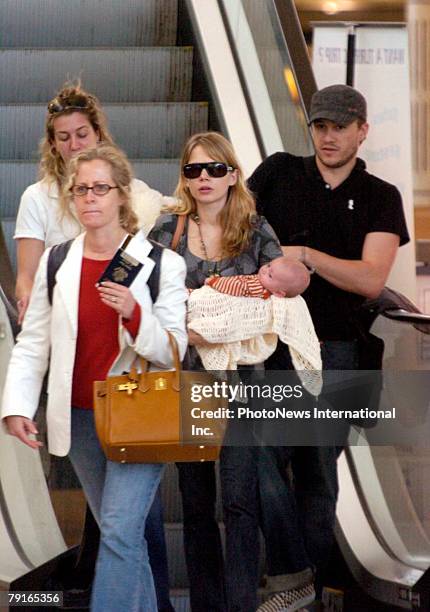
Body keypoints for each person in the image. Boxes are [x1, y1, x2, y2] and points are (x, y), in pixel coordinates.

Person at [1, 145, 188, 612]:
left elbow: (174, 350)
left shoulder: (162, 263)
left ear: (122, 195)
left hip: (137, 414)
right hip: (80, 417)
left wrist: (134, 314)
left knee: (122, 531)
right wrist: (18, 405)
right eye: (81, 189)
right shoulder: (57, 261)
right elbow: (33, 342)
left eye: (100, 188)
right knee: (119, 535)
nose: (89, 198)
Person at [248, 84, 410, 611]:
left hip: (338, 349)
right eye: (321, 126)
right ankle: (293, 576)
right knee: (261, 460)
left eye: (341, 126)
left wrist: (305, 255)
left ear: (363, 130)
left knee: (318, 473)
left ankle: (304, 591)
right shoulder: (276, 172)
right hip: (269, 344)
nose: (329, 136)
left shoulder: (382, 196)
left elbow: (369, 279)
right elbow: (230, 228)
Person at [149, 131, 283, 612]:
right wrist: (186, 327)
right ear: (184, 177)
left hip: (244, 380)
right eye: (193, 170)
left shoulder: (255, 228)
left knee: (242, 501)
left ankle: (242, 603)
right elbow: (138, 297)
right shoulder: (168, 231)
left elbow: (281, 296)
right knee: (196, 502)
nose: (203, 178)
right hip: (190, 382)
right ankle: (207, 604)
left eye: (214, 168)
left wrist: (222, 321)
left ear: (232, 173)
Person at [205, 256, 310, 299]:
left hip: (215, 293)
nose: (265, 270)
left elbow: (234, 286)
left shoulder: (257, 288)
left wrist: (213, 281)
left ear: (278, 293)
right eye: (269, 265)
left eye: (270, 275)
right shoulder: (263, 284)